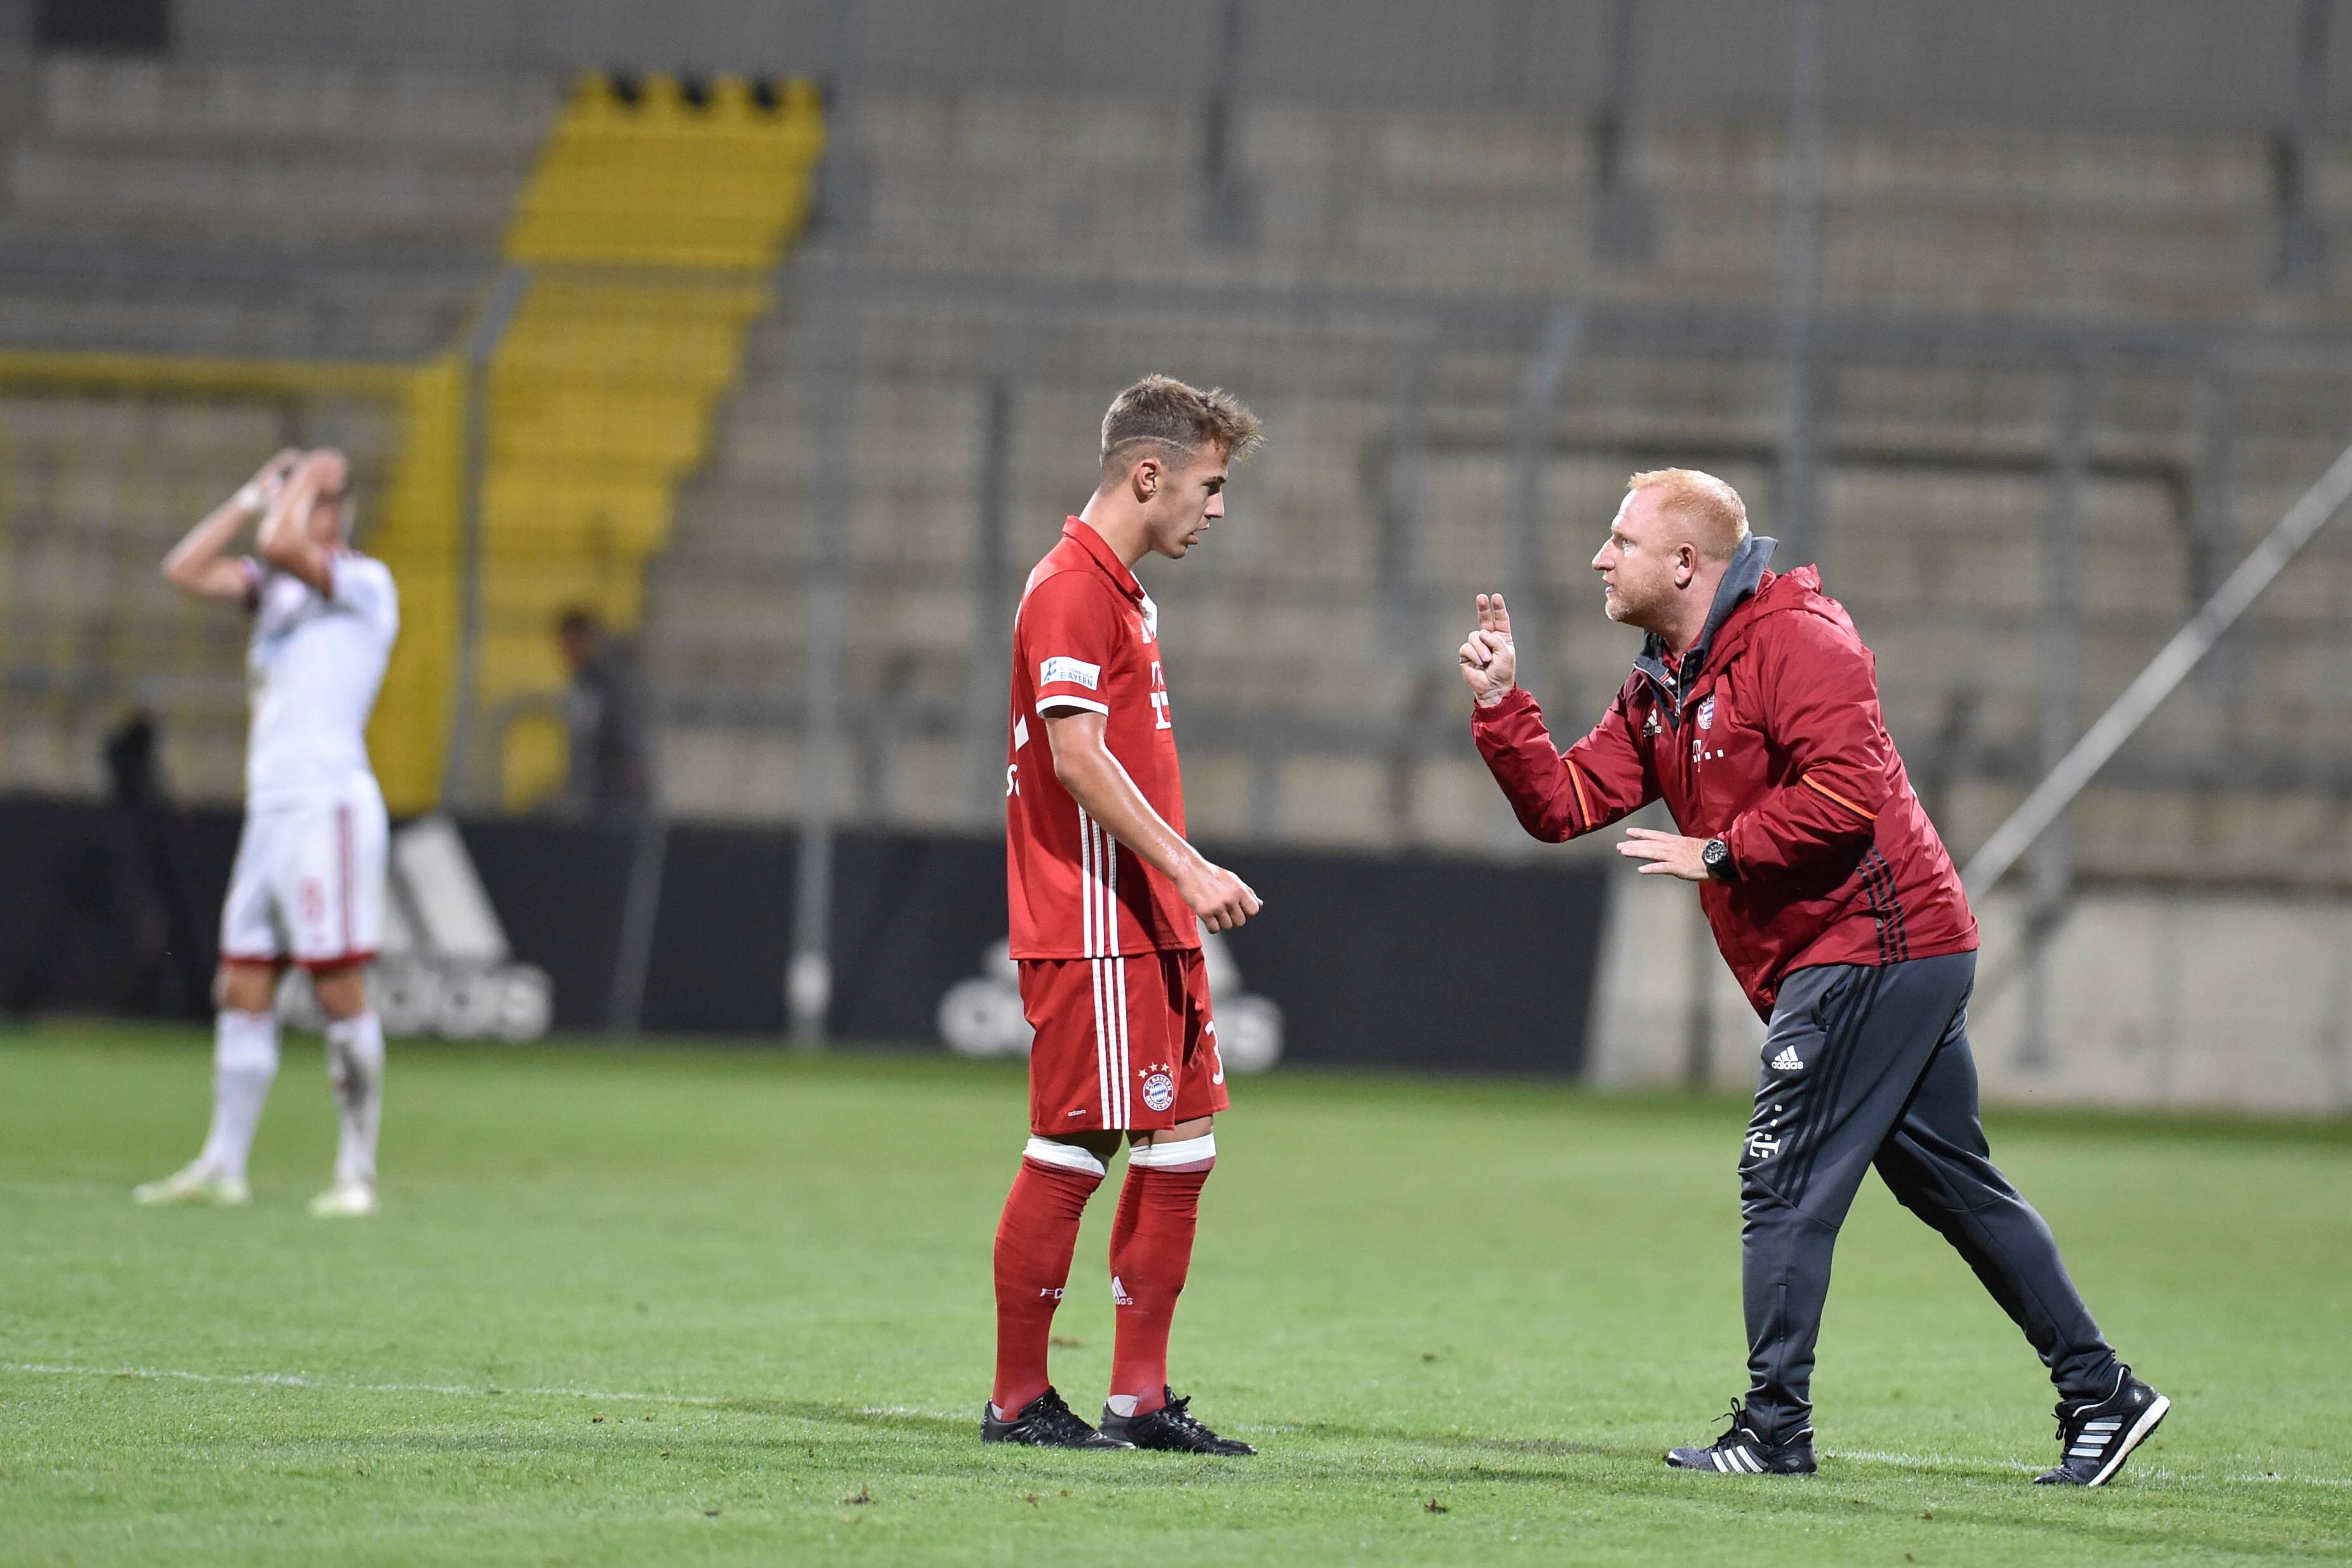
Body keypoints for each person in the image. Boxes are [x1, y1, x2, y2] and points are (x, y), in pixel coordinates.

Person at [1459, 468, 2167, 1486]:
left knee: (1779, 1177)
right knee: (1952, 1188)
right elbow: (1566, 800)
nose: (1598, 558)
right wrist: (1500, 707)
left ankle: (1772, 1427)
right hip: (1855, 952)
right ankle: (2101, 1391)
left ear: (1685, 563)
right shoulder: (1663, 673)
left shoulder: (1798, 637)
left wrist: (1716, 851)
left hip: (1877, 943)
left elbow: (1845, 795)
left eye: (1619, 540)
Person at [985, 375, 1265, 1453]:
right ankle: (1017, 1397)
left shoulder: (1121, 591)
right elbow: (1073, 754)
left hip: (1143, 920)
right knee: (1074, 1141)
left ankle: (1137, 1401)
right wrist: (1188, 866)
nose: (1217, 506)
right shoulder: (1069, 587)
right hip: (1095, 918)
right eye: (1209, 483)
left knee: (1179, 1139)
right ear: (1147, 474)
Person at [135, 447, 399, 1218]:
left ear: (333, 513)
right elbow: (184, 568)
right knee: (243, 983)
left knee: (335, 983)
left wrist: (313, 479)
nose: (293, 516)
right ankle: (224, 1164)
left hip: (329, 806)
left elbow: (285, 545)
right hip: (273, 809)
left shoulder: (364, 583)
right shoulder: (277, 593)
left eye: (310, 503)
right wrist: (252, 493)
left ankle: (356, 1172)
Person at [556, 607, 651, 820]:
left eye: (570, 643)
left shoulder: (612, 681)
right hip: (596, 790)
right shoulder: (585, 680)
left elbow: (627, 727)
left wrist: (633, 763)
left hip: (614, 791)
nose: (566, 651)